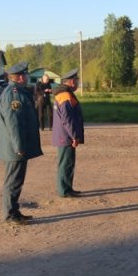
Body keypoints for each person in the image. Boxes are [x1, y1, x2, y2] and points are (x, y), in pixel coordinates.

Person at [0, 62, 43, 225]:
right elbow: (13, 123)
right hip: (14, 148)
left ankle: (14, 211)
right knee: (13, 181)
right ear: (21, 77)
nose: (28, 77)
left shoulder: (17, 91)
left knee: (17, 180)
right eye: (26, 75)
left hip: (16, 147)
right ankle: (9, 215)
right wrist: (19, 146)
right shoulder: (13, 94)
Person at [52, 68, 85, 198]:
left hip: (64, 135)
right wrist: (74, 135)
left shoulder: (65, 93)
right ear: (71, 82)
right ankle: (64, 190)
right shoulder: (65, 95)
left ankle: (67, 188)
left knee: (68, 163)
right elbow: (67, 119)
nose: (78, 83)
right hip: (65, 136)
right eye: (76, 81)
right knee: (65, 164)